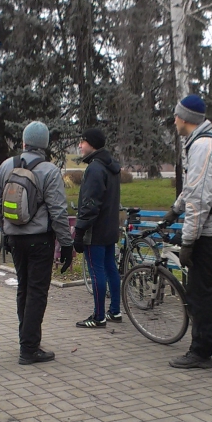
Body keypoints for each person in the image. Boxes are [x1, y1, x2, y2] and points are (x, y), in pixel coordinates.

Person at [160, 94, 212, 369]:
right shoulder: (205, 140)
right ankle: (202, 346)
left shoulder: (202, 146)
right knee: (200, 288)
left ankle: (201, 352)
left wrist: (189, 241)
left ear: (186, 118)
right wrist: (175, 209)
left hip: (208, 228)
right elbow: (195, 189)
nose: (174, 121)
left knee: (198, 292)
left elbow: (199, 199)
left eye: (177, 116)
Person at [0, 121, 74, 364]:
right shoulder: (49, 170)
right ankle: (29, 348)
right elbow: (58, 211)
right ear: (45, 145)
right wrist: (66, 244)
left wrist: (6, 232)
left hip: (15, 239)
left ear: (24, 142)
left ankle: (26, 339)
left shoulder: (6, 166)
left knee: (24, 288)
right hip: (40, 240)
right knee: (37, 292)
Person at [73, 128, 123, 328]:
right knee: (111, 269)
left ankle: (99, 316)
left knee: (97, 272)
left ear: (91, 144)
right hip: (110, 228)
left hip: (95, 231)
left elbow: (90, 205)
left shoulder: (95, 168)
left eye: (83, 142)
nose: (80, 145)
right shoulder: (111, 166)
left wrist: (79, 230)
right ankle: (115, 311)